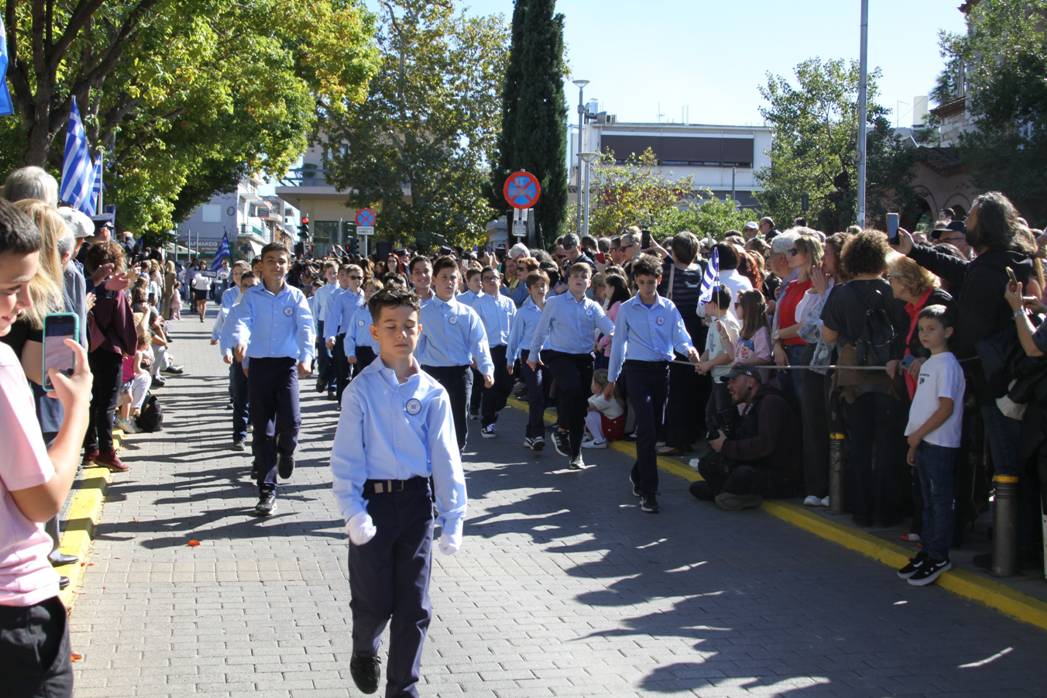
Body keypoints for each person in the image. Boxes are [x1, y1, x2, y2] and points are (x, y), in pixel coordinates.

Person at [330, 286, 466, 698]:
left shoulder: (433, 392)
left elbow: (446, 458)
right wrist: (353, 511)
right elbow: (348, 458)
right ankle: (364, 649)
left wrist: (453, 516)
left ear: (420, 330)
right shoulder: (360, 391)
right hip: (372, 504)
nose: (401, 334)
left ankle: (403, 688)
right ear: (375, 332)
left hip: (415, 505)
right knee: (373, 600)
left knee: (414, 605)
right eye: (391, 326)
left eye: (409, 326)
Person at [0, 198, 92, 697]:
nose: (21, 305)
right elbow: (42, 500)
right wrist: (78, 410)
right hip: (15, 614)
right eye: (10, 289)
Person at [822, 231, 909, 528]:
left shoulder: (841, 293)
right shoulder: (892, 290)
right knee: (888, 445)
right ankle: (887, 509)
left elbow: (828, 336)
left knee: (859, 443)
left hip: (853, 377)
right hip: (889, 373)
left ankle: (861, 508)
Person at [223, 242, 314, 516]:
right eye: (271, 260)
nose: (276, 265)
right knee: (263, 432)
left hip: (286, 367)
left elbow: (306, 327)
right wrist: (240, 341)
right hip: (259, 367)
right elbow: (242, 321)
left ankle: (287, 451)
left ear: (288, 265)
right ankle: (267, 490)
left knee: (291, 422)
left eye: (281, 261)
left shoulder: (296, 296)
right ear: (261, 265)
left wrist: (307, 357)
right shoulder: (251, 296)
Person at [604, 255, 699, 512]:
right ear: (636, 281)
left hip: (661, 371)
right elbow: (619, 345)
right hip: (636, 371)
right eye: (642, 282)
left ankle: (638, 472)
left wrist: (689, 349)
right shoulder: (627, 309)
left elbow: (680, 336)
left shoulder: (668, 307)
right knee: (645, 427)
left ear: (659, 280)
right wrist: (612, 379)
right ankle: (649, 492)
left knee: (655, 429)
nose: (647, 287)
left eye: (651, 282)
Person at [896, 305, 965, 587]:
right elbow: (922, 406)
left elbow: (945, 407)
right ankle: (927, 550)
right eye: (922, 329)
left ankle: (939, 555)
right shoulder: (929, 363)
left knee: (939, 501)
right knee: (927, 502)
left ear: (948, 332)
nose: (925, 334)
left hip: (939, 444)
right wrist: (914, 443)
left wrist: (919, 435)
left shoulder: (948, 365)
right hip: (923, 442)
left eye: (932, 329)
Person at [528, 262, 614, 469]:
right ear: (568, 280)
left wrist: (620, 337)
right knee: (571, 386)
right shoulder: (555, 303)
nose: (579, 280)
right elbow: (541, 330)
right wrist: (533, 354)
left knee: (579, 408)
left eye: (584, 277)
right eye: (575, 276)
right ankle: (562, 428)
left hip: (583, 358)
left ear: (589, 282)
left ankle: (575, 454)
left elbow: (610, 328)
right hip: (559, 355)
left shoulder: (593, 307)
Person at [689, 365, 800, 510]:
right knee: (708, 463)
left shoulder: (770, 402)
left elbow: (764, 445)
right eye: (728, 382)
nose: (729, 386)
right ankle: (726, 492)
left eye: (733, 381)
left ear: (750, 382)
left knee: (742, 474)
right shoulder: (750, 405)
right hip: (758, 465)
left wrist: (725, 446)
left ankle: (725, 493)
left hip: (780, 476)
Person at [416, 256, 493, 452]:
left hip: (460, 373)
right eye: (444, 277)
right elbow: (417, 345)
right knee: (432, 421)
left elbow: (479, 342)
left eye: (453, 277)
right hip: (432, 373)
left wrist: (486, 369)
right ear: (434, 280)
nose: (449, 282)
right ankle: (433, 459)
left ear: (459, 280)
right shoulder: (423, 312)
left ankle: (456, 455)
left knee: (459, 421)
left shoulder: (467, 313)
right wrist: (412, 372)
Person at [506, 270, 549, 451]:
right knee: (536, 393)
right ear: (529, 289)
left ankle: (530, 434)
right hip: (528, 355)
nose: (541, 289)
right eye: (536, 286)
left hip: (549, 355)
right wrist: (510, 359)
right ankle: (538, 434)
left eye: (543, 285)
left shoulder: (553, 309)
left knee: (543, 397)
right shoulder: (523, 312)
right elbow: (514, 337)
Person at [473, 267, 516, 439]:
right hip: (488, 350)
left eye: (494, 277)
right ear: (482, 283)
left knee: (507, 386)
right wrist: (475, 355)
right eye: (487, 278)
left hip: (508, 349)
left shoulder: (509, 302)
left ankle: (494, 409)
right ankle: (487, 423)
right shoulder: (478, 304)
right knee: (491, 387)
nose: (491, 281)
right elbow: (475, 332)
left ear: (500, 279)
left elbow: (515, 328)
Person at [219, 270, 258, 451]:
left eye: (253, 286)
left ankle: (259, 434)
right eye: (245, 286)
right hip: (240, 357)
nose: (249, 290)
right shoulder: (236, 309)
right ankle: (239, 436)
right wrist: (226, 351)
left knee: (259, 398)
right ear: (241, 288)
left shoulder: (265, 308)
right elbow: (227, 332)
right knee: (241, 398)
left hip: (260, 358)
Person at [697, 285, 740, 439]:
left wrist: (709, 364)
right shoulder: (714, 323)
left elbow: (731, 355)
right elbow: (709, 349)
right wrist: (701, 361)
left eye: (706, 303)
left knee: (724, 415)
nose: (704, 306)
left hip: (726, 378)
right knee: (711, 414)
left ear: (714, 305)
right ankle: (716, 447)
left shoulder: (729, 323)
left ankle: (727, 447)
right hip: (716, 378)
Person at [326, 264, 365, 402]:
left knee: (359, 372)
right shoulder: (341, 297)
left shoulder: (366, 296)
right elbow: (333, 318)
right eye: (353, 277)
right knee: (343, 371)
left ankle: (356, 401)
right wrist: (330, 336)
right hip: (344, 336)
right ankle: (342, 401)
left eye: (359, 277)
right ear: (347, 278)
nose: (357, 280)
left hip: (362, 338)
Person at [343, 279, 383, 375]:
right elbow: (350, 335)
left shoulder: (383, 313)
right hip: (361, 353)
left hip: (378, 354)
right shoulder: (359, 312)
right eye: (367, 290)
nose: (368, 293)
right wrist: (350, 353)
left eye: (372, 290)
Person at [584, 369, 624, 450]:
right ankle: (588, 436)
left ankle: (599, 441)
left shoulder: (605, 398)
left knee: (586, 413)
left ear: (598, 385)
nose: (591, 384)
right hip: (611, 425)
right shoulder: (599, 395)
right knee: (584, 411)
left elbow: (584, 407)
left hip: (614, 430)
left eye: (592, 382)